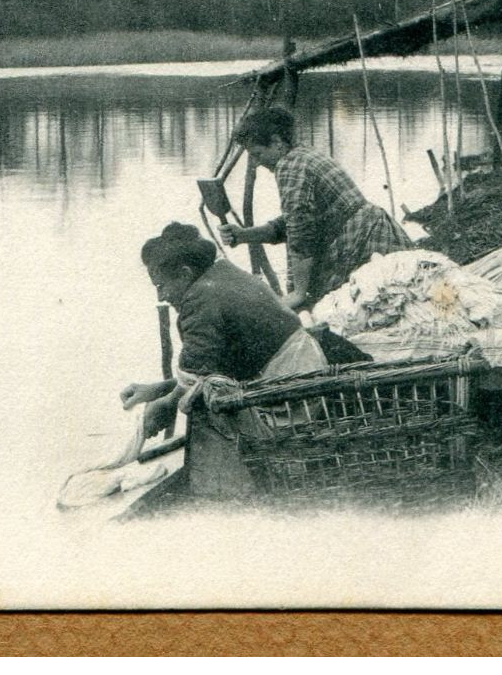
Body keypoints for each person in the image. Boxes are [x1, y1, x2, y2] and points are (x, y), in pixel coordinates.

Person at [118, 223, 363, 497]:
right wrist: (157, 390)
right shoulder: (222, 273)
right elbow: (206, 367)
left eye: (162, 285)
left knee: (204, 405)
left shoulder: (200, 299)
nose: (161, 296)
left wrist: (165, 405)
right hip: (301, 370)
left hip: (292, 396)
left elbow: (198, 376)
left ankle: (226, 494)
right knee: (202, 391)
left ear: (185, 273)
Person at [220, 105, 412, 310]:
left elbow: (300, 231)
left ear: (276, 142)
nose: (257, 163)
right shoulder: (302, 155)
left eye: (258, 154)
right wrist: (244, 235)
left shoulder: (289, 166)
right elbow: (294, 221)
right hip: (371, 234)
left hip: (364, 242)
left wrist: (299, 292)